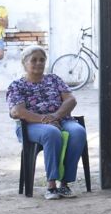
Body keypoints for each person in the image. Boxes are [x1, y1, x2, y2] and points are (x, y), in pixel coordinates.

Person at [7, 46, 88, 200]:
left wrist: (55, 116)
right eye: (34, 60)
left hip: (60, 119)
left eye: (42, 60)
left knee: (78, 132)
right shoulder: (17, 85)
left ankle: (64, 184)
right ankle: (51, 185)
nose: (39, 63)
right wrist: (44, 120)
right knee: (51, 133)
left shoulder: (54, 79)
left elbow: (71, 99)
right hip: (31, 125)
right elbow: (17, 111)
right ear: (25, 63)